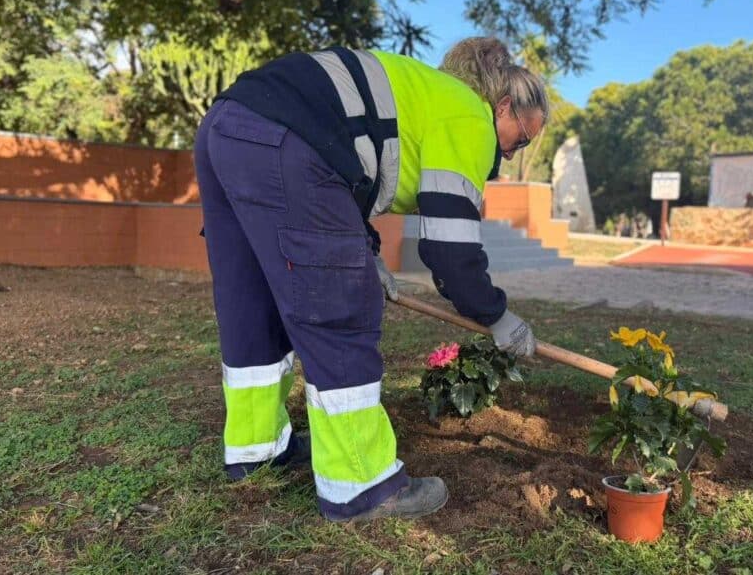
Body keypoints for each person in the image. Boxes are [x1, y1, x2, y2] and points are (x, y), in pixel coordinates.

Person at [193, 37, 546, 522]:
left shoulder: (423, 94)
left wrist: (369, 253)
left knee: (252, 302)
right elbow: (450, 249)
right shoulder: (469, 114)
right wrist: (498, 316)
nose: (509, 154)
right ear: (502, 106)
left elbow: (347, 171)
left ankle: (256, 449)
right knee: (341, 306)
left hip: (227, 128)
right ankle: (361, 485)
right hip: (285, 140)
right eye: (520, 139)